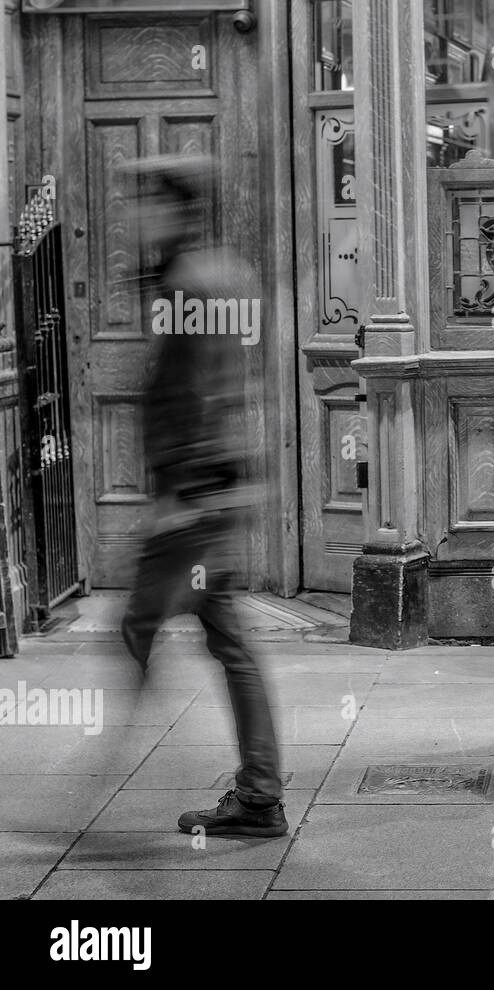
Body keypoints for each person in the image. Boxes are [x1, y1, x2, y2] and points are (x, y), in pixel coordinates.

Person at [118, 155, 287, 836]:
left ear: (173, 208)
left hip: (196, 496)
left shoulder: (189, 282)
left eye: (142, 202)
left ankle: (251, 790)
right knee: (224, 637)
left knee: (140, 628)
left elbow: (196, 396)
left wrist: (185, 493)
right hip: (216, 488)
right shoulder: (219, 273)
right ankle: (259, 791)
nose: (131, 215)